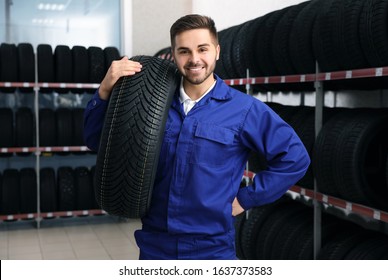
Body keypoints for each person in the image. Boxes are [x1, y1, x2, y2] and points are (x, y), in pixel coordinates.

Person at [84, 14, 310, 260]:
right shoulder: (151, 106)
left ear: (217, 51)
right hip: (155, 246)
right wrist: (105, 89)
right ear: (173, 54)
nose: (194, 59)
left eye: (203, 49)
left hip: (213, 249)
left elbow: (295, 158)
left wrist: (246, 198)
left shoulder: (244, 110)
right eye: (184, 51)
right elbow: (97, 141)